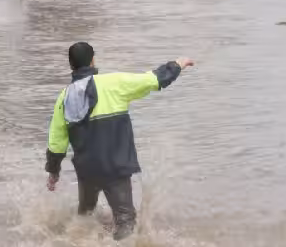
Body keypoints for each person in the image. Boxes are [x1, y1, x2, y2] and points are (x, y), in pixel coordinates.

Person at [45, 42, 195, 240]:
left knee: (85, 218)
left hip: (86, 170)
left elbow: (56, 142)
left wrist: (53, 172)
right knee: (125, 220)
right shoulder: (114, 82)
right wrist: (178, 64)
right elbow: (154, 80)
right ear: (92, 61)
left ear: (71, 65)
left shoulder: (64, 97)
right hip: (115, 167)